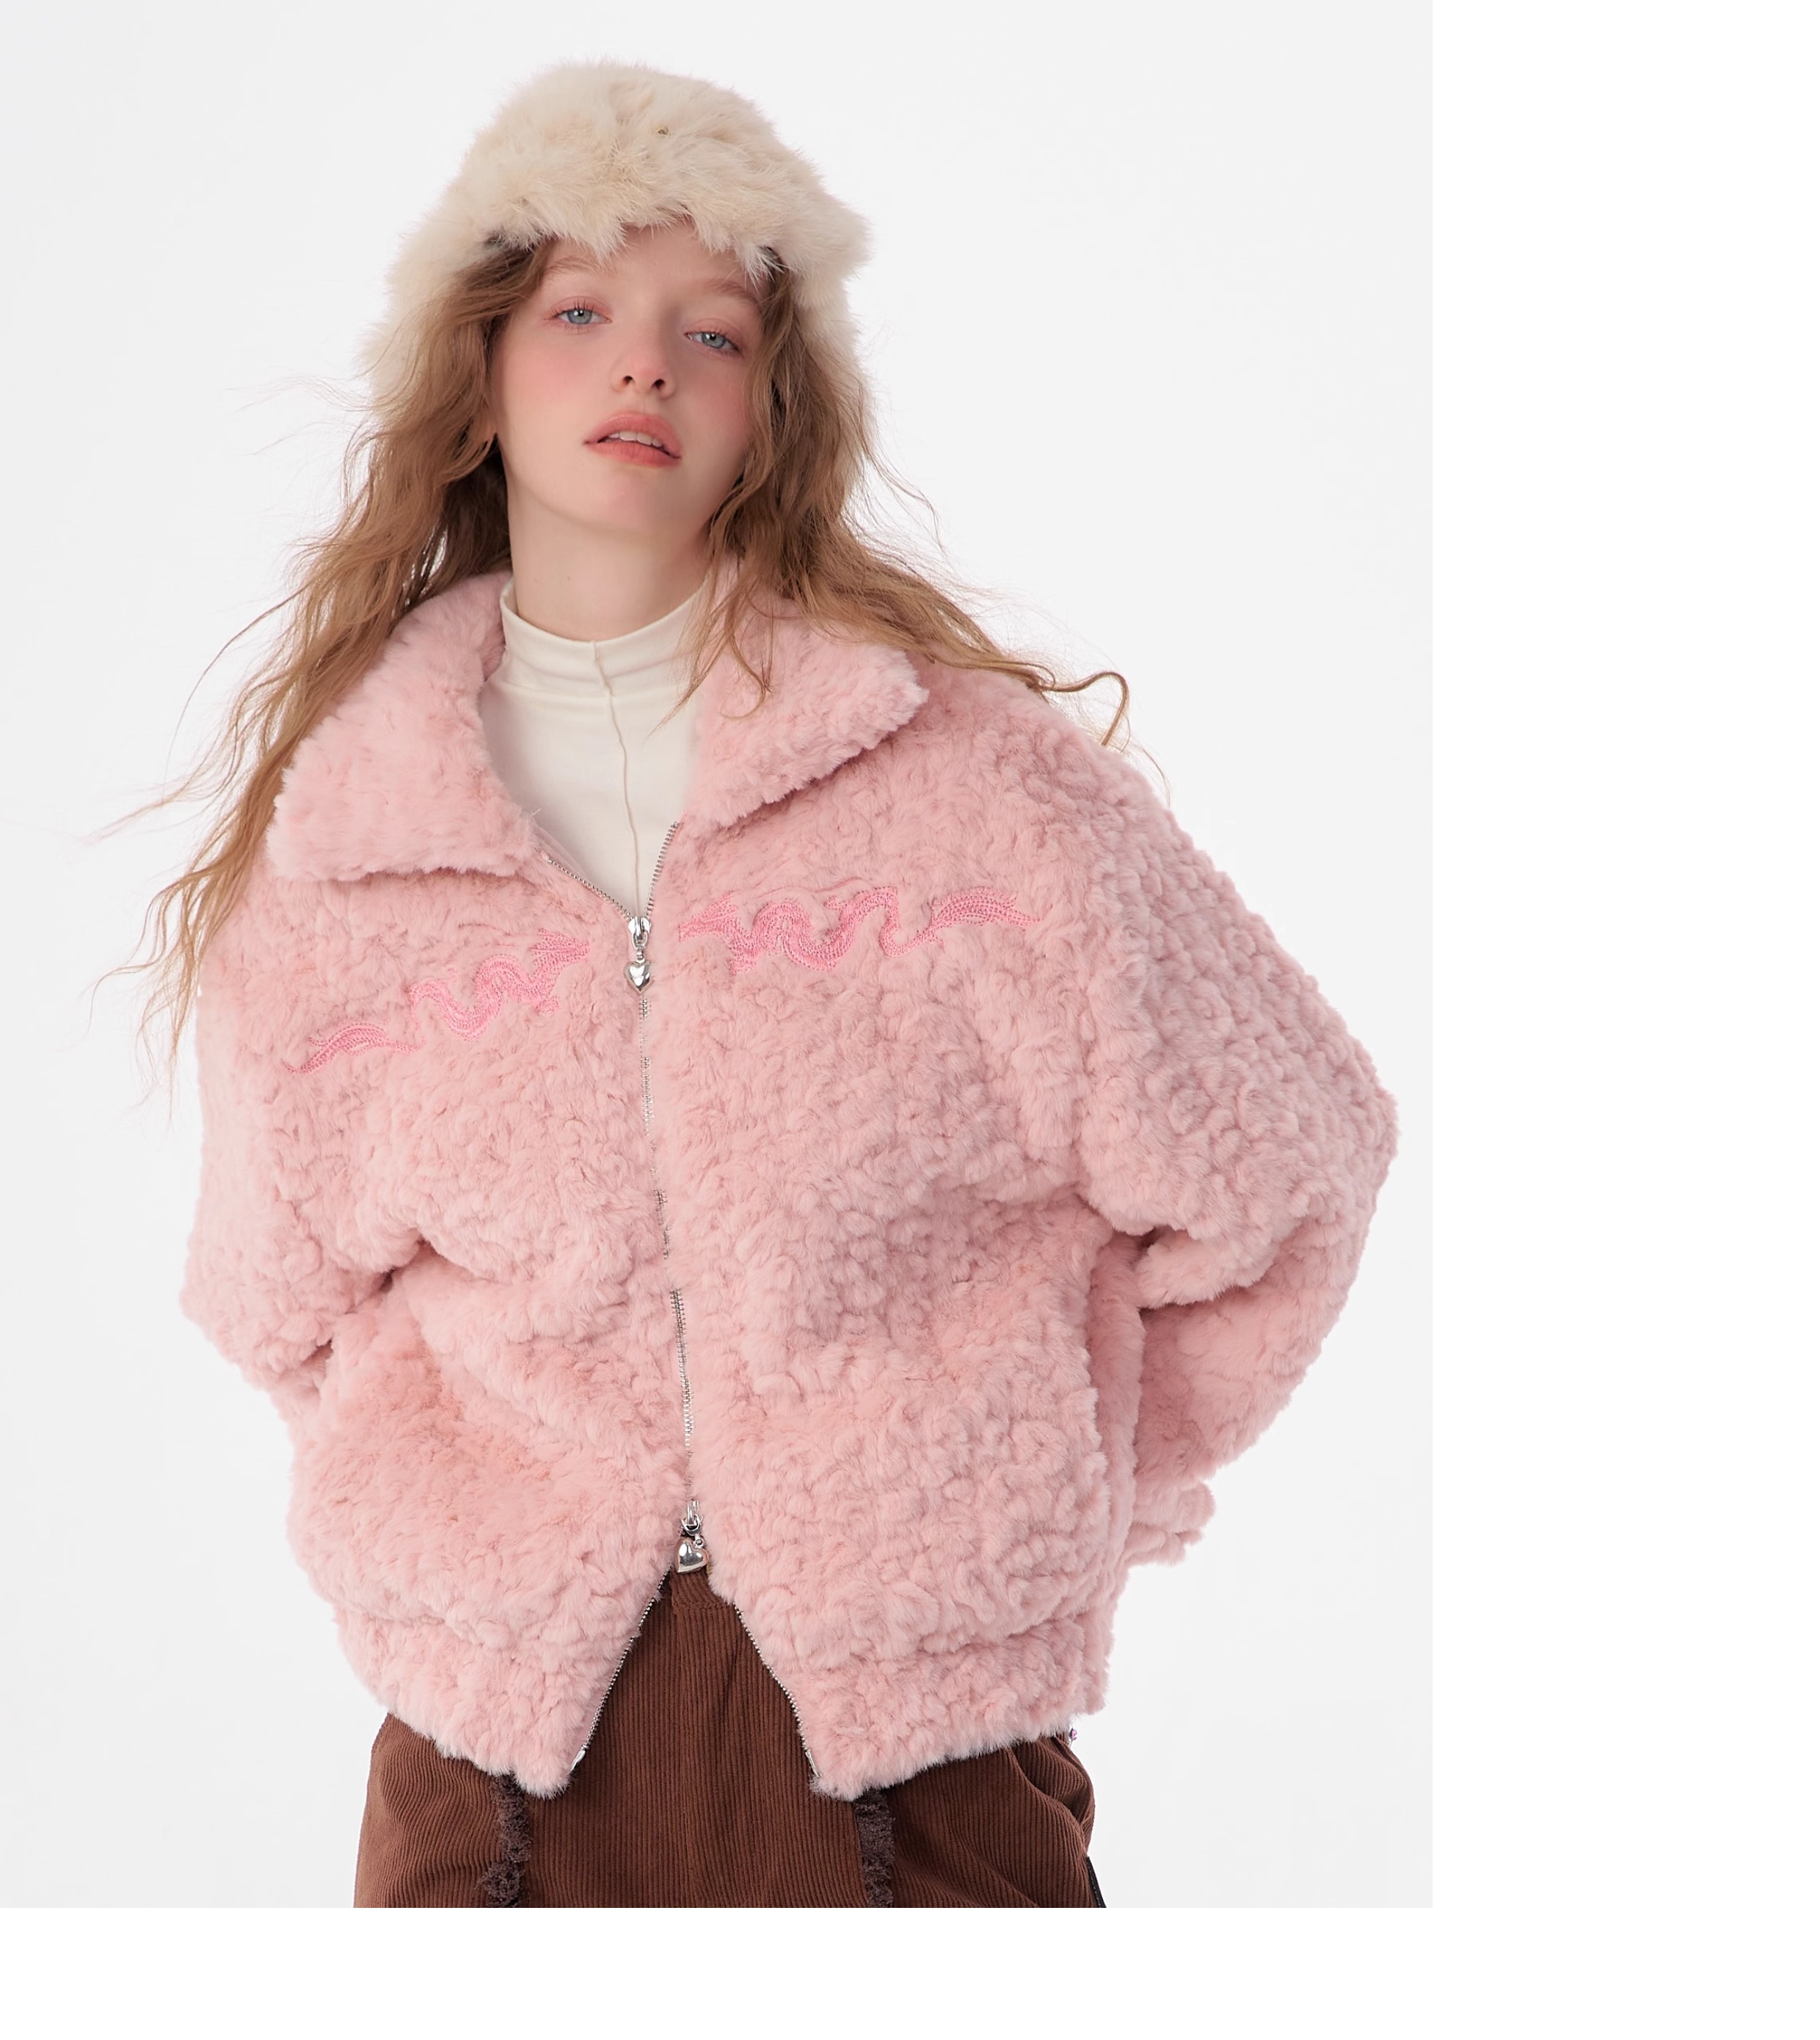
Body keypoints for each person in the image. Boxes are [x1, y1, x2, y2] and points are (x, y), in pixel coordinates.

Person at [134, 59, 1398, 1906]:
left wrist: (1034, 1484)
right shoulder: (345, 853)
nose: (644, 367)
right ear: (479, 372)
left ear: (773, 408)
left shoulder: (979, 795)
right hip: (490, 1800)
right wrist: (469, 1523)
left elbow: (1292, 1163)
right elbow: (281, 1302)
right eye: (580, 311)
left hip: (918, 1791)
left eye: (710, 332)